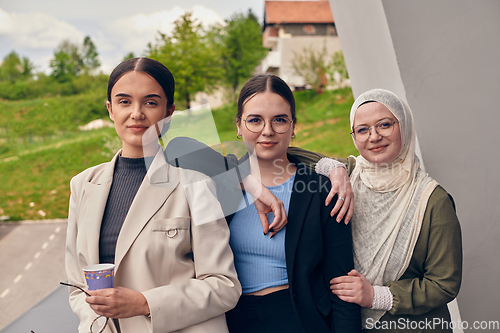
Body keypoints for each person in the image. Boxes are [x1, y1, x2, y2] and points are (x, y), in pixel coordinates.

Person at [64, 57, 242, 333]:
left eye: (150, 102)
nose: (136, 113)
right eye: (124, 102)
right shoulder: (83, 185)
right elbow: (78, 286)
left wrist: (145, 303)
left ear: (169, 113)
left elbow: (224, 286)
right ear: (110, 110)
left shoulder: (195, 186)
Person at [223, 74, 361, 332]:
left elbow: (342, 284)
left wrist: (333, 167)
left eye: (280, 120)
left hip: (297, 319)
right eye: (255, 120)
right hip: (230, 320)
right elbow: (176, 146)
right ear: (238, 126)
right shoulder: (220, 185)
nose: (267, 131)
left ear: (294, 126)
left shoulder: (323, 189)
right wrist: (249, 183)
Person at [324, 89, 462, 332]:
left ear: (404, 126)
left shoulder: (432, 200)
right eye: (362, 129)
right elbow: (288, 155)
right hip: (349, 324)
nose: (374, 136)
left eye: (384, 125)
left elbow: (444, 284)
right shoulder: (348, 174)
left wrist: (377, 296)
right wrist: (332, 167)